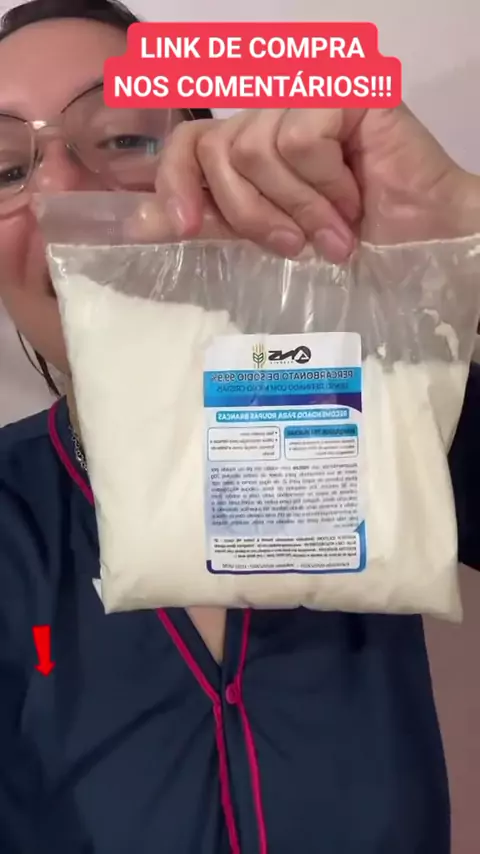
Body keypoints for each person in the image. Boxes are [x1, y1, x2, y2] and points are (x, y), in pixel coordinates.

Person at [0, 1, 479, 852]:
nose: (59, 193)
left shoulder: (378, 409)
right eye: (5, 168)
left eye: (121, 136)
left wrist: (463, 228)